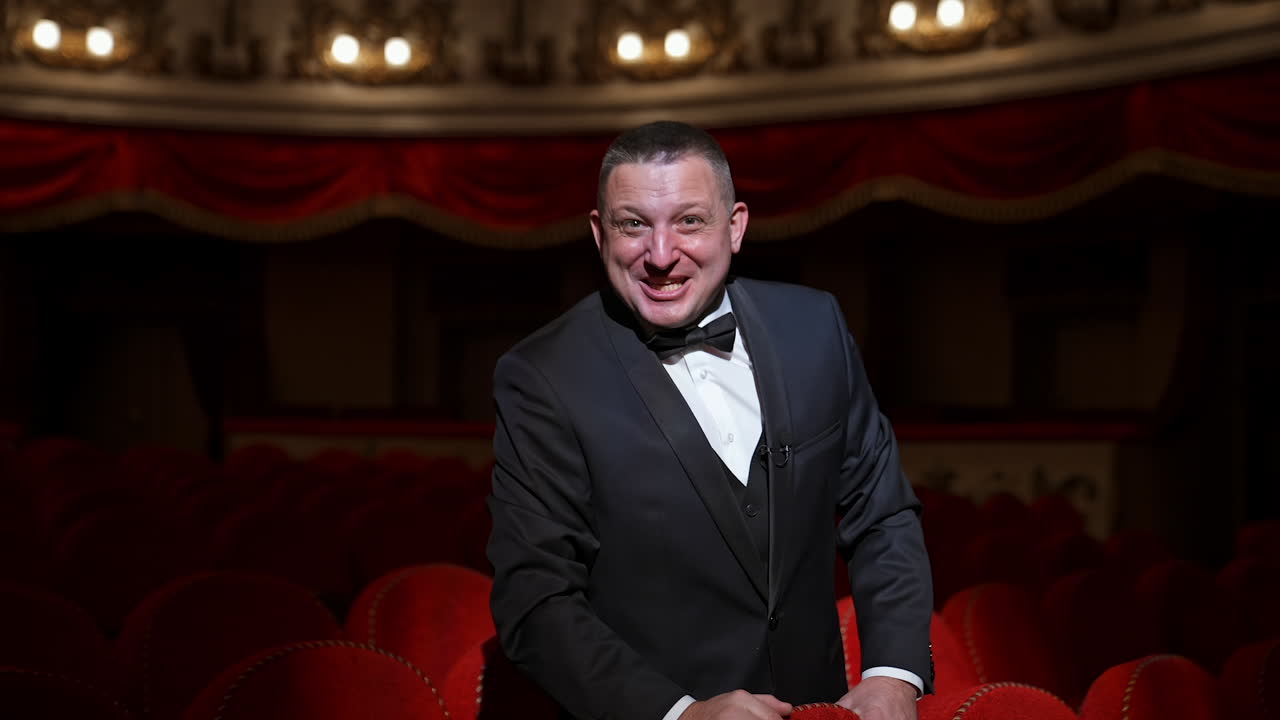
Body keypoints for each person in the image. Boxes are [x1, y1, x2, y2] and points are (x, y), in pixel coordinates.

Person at [487, 120, 933, 720]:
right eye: (633, 224)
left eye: (689, 221)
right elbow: (535, 599)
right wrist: (679, 713)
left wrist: (894, 675)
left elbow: (883, 517)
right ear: (599, 233)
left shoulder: (815, 326)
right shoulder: (541, 376)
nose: (661, 255)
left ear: (735, 225)